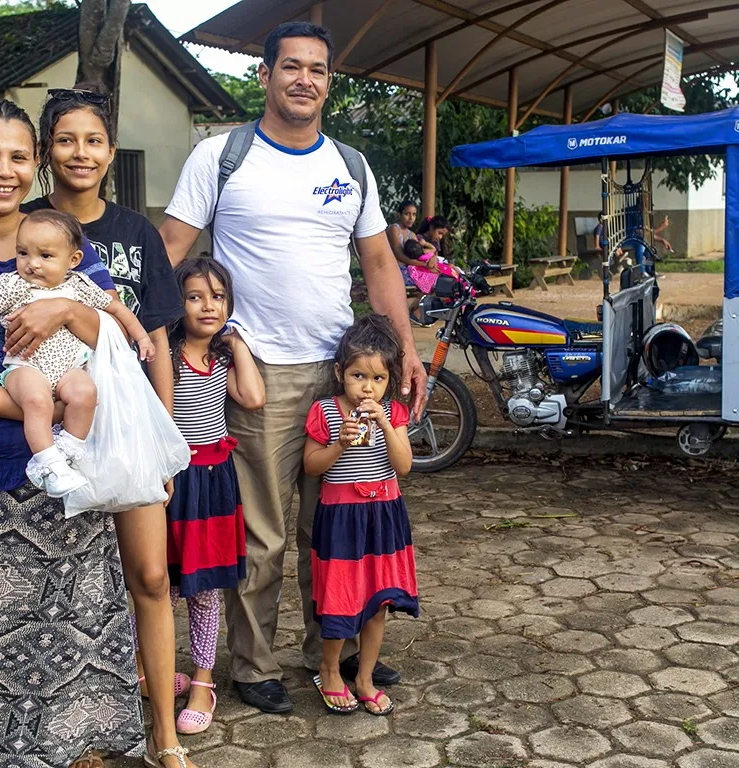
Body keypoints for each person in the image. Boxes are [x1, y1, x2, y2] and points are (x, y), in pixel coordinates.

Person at [0, 84, 195, 768]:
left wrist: (68, 327)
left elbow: (115, 336)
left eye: (17, 157)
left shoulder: (59, 246)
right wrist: (47, 409)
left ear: (35, 167)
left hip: (58, 481)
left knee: (52, 634)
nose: (3, 170)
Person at [160, 22, 427, 716]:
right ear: (265, 76)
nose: (304, 79)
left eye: (318, 70)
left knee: (331, 524)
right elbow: (171, 247)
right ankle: (252, 663)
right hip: (257, 373)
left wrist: (404, 351)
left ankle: (327, 651)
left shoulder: (351, 165)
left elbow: (377, 264)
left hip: (344, 371)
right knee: (262, 530)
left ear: (329, 83)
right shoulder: (221, 156)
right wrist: (141, 341)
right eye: (291, 67)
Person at [0, 208, 156, 496]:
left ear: (73, 260)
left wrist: (142, 337)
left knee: (87, 394)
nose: (32, 264)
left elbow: (117, 309)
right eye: (23, 253)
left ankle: (69, 451)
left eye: (45, 256)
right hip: (24, 368)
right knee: (37, 401)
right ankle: (47, 462)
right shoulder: (14, 284)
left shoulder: (80, 286)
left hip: (69, 369)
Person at [165, 258, 264, 734]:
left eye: (218, 296)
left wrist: (238, 343)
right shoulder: (164, 354)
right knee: (160, 586)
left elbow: (253, 397)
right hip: (170, 480)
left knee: (204, 589)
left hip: (214, 482)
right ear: (176, 301)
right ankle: (157, 670)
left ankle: (204, 680)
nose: (208, 306)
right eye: (195, 296)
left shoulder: (224, 358)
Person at [303, 314, 419, 716]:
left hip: (384, 516)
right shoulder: (326, 411)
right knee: (339, 599)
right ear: (340, 373)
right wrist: (338, 444)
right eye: (357, 376)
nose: (367, 387)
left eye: (378, 379)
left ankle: (365, 677)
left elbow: (403, 466)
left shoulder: (395, 414)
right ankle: (330, 669)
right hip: (341, 520)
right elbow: (312, 466)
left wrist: (386, 425)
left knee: (377, 601)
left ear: (389, 382)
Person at [386, 201, 431, 323]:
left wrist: (431, 260)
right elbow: (399, 255)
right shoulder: (394, 229)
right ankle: (399, 312)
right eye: (407, 214)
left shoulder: (412, 234)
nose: (411, 218)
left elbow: (422, 253)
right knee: (430, 283)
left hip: (411, 270)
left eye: (414, 214)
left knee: (434, 281)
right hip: (397, 270)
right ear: (399, 214)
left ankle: (410, 312)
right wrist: (421, 264)